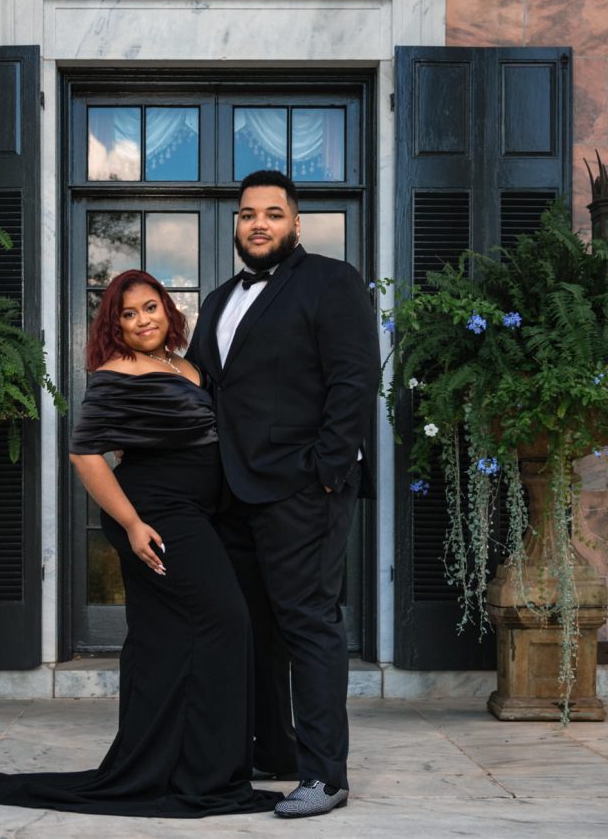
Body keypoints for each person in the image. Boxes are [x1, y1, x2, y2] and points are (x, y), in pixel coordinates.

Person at [0, 269, 280, 818]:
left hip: (194, 514)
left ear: (167, 307)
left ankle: (184, 764)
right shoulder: (115, 373)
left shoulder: (184, 364)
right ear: (114, 326)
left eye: (149, 307)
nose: (142, 321)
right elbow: (84, 453)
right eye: (128, 314)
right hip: (157, 516)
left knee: (166, 641)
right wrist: (133, 524)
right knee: (226, 622)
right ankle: (202, 774)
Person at [186, 170, 380, 819]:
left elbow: (354, 380)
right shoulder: (219, 299)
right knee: (252, 629)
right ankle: (277, 751)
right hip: (232, 494)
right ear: (236, 225)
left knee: (308, 624)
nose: (259, 223)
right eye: (248, 214)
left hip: (302, 489)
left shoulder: (331, 281)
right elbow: (203, 390)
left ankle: (325, 776)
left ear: (296, 223)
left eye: (272, 213)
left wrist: (326, 470)